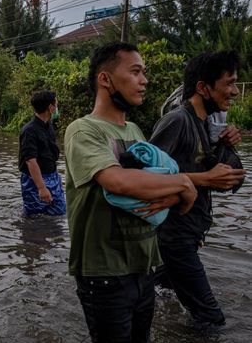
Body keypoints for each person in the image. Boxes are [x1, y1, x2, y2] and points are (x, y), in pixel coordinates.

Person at [64, 42, 198, 342]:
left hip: (143, 265)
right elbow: (118, 181)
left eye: (144, 72)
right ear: (105, 79)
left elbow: (157, 182)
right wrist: (185, 185)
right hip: (104, 273)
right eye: (135, 71)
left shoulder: (135, 131)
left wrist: (180, 191)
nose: (144, 80)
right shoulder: (83, 130)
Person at [149, 51, 246, 330]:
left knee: (157, 292)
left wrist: (224, 145)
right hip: (174, 237)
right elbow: (144, 177)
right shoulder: (177, 121)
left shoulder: (207, 125)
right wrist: (204, 178)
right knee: (211, 320)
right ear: (203, 87)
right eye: (229, 83)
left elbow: (232, 181)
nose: (235, 91)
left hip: (190, 234)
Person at [19, 91, 65, 216]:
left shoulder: (48, 126)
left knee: (59, 213)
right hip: (35, 180)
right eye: (56, 105)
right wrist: (41, 188)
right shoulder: (29, 130)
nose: (57, 108)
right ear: (50, 108)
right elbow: (30, 161)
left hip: (52, 175)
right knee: (35, 218)